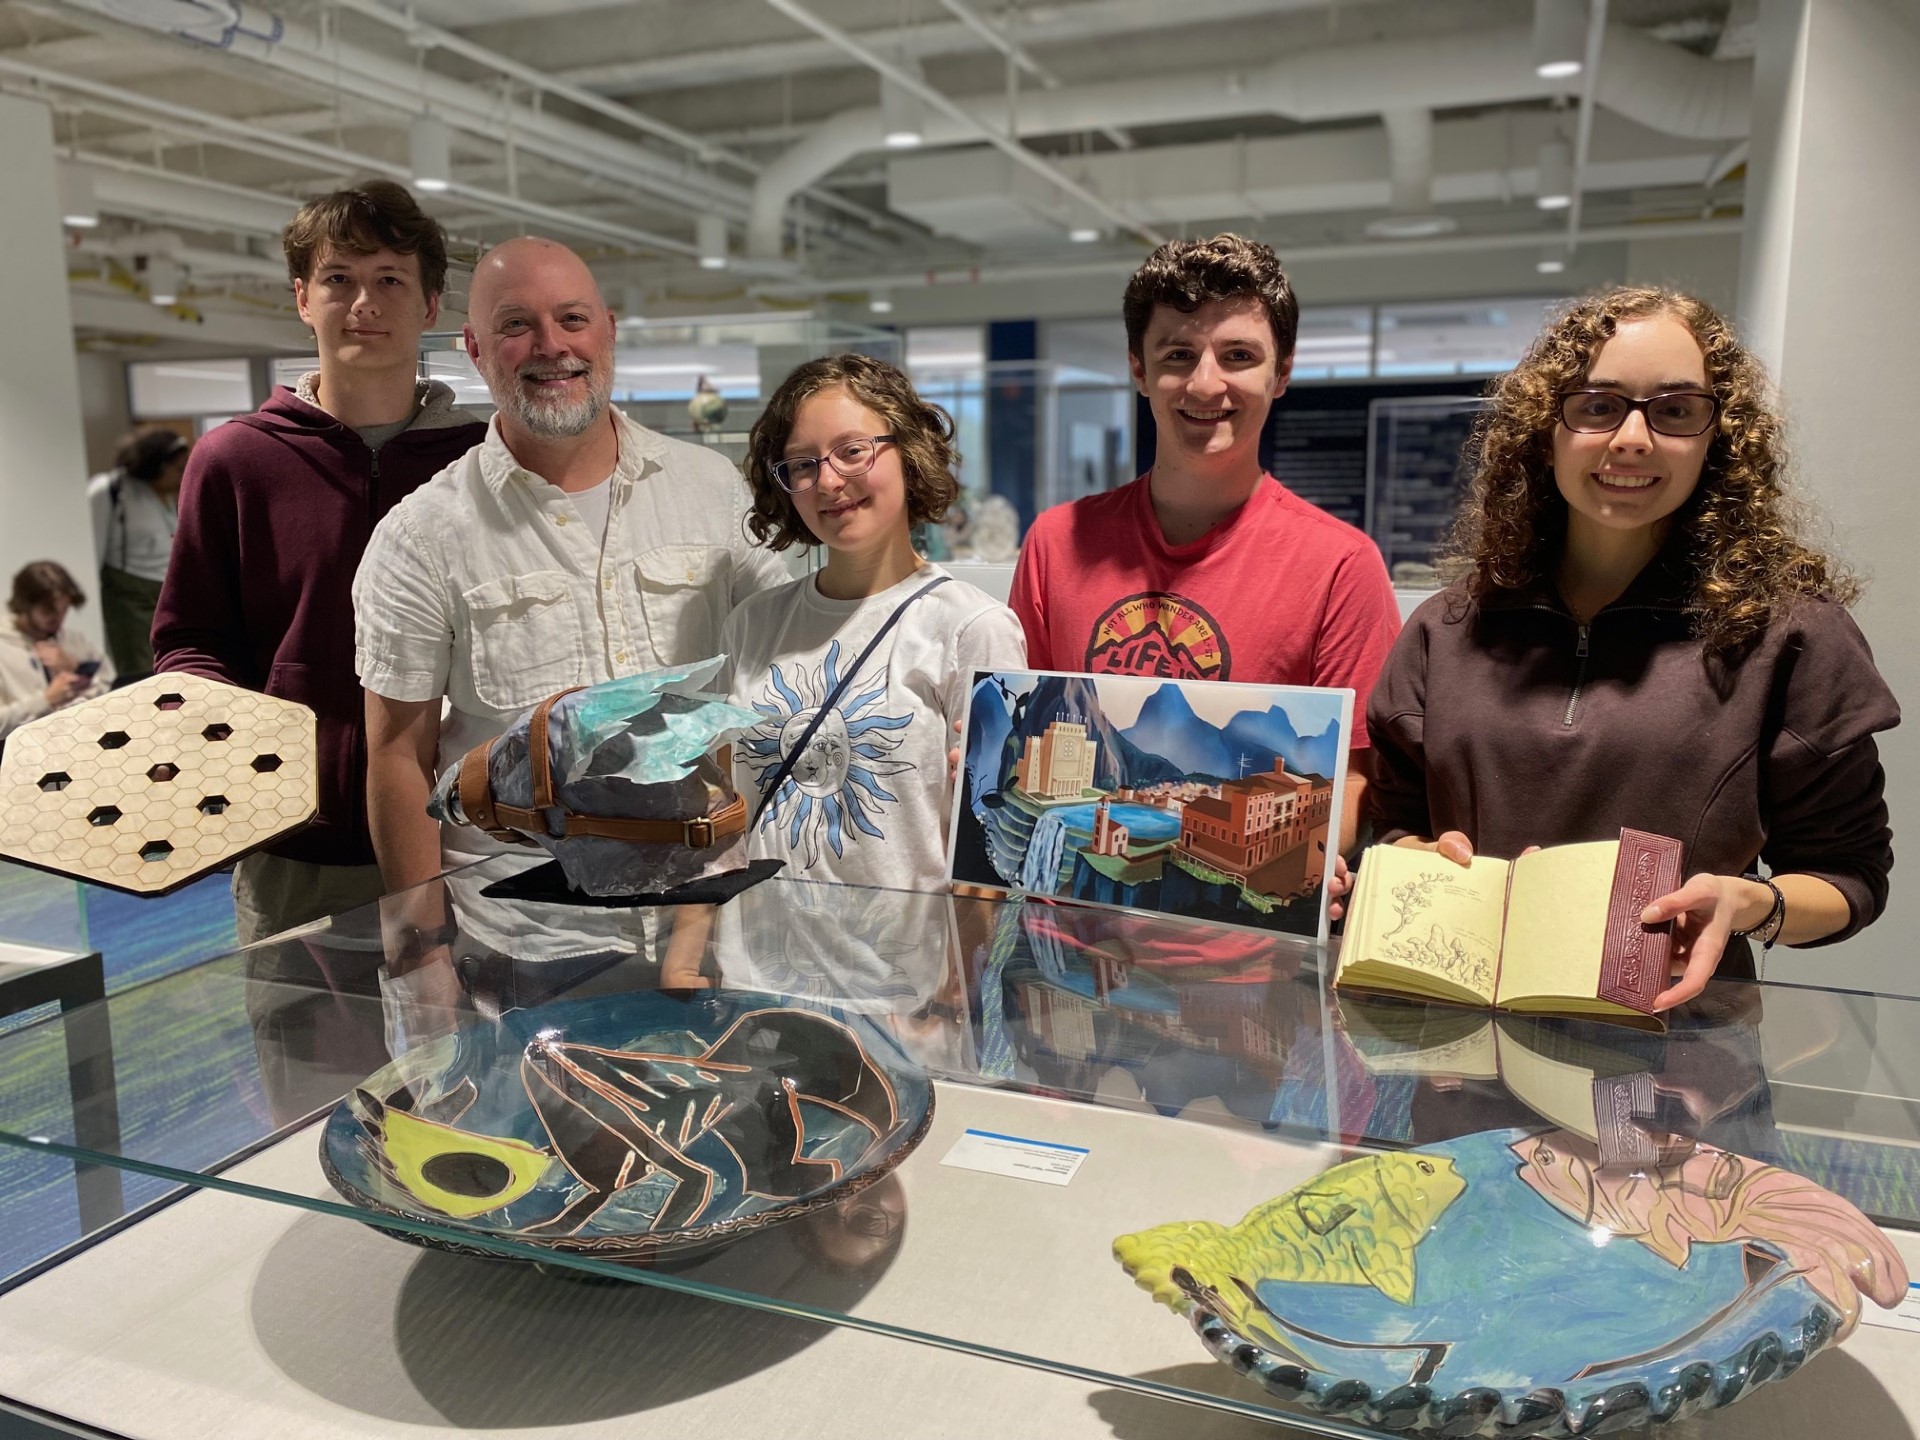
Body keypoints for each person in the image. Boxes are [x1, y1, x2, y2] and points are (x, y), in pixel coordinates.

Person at [1359, 285, 1899, 1011]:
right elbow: (1392, 827)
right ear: (1545, 428)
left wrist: (1749, 905)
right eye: (1598, 404)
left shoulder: (1789, 634)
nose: (1633, 439)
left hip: (1676, 1076)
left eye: (1675, 410)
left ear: (1718, 437)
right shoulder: (1445, 630)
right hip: (1462, 1061)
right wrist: (1414, 857)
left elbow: (1850, 875)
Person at [354, 235, 790, 900]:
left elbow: (783, 670)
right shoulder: (421, 536)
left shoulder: (714, 492)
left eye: (572, 319)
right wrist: (421, 946)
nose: (551, 346)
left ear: (608, 330)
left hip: (708, 903)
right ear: (474, 349)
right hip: (527, 933)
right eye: (516, 326)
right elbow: (397, 760)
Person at [153, 180, 488, 946]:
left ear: (430, 307)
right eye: (339, 279)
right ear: (304, 298)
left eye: (389, 280)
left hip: (466, 842)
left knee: (471, 1062)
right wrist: (229, 746)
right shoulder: (235, 460)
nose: (363, 301)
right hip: (293, 849)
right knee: (309, 1064)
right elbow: (190, 640)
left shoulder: (480, 464)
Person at [1008, 234, 1400, 848]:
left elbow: (1353, 778)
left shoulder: (1341, 566)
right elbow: (1024, 724)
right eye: (1178, 354)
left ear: (1283, 373)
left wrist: (1310, 862)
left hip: (1251, 943)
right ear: (1139, 369)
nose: (1204, 385)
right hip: (1061, 929)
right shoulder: (1057, 543)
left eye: (1238, 355)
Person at [87, 426, 190, 679]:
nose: (182, 476)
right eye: (177, 470)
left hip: (167, 594)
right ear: (154, 466)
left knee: (173, 666)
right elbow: (94, 551)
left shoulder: (167, 494)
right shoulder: (110, 490)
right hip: (130, 597)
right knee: (140, 673)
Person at [0, 561, 113, 743]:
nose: (59, 618)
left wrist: (75, 666)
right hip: (23, 756)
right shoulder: (3, 648)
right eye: (49, 610)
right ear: (25, 604)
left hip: (81, 745)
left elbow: (113, 692)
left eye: (65, 609)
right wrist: (45, 700)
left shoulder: (76, 641)